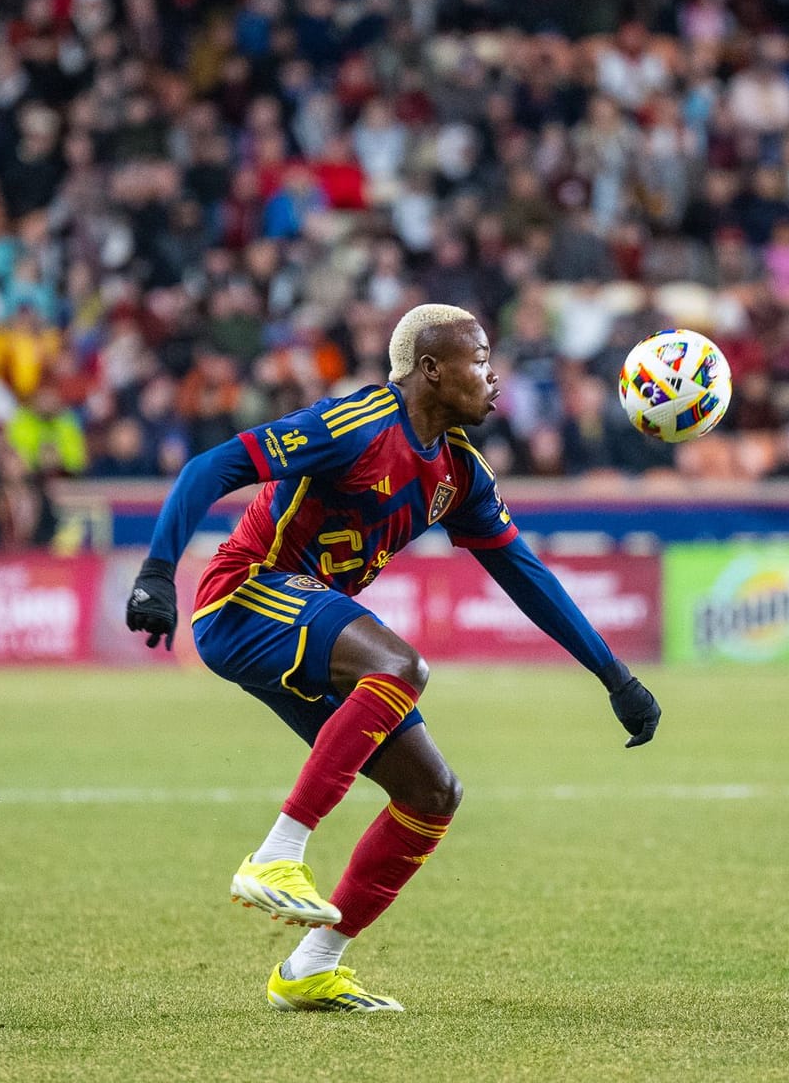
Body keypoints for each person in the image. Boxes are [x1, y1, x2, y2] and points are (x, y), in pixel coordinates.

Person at [125, 303, 661, 1014]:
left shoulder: (460, 473)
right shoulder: (358, 425)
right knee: (401, 668)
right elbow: (214, 464)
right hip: (244, 596)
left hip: (305, 620)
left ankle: (311, 966)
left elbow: (526, 576)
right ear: (431, 371)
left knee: (432, 794)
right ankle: (278, 854)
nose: (494, 377)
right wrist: (158, 571)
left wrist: (613, 676)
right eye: (479, 359)